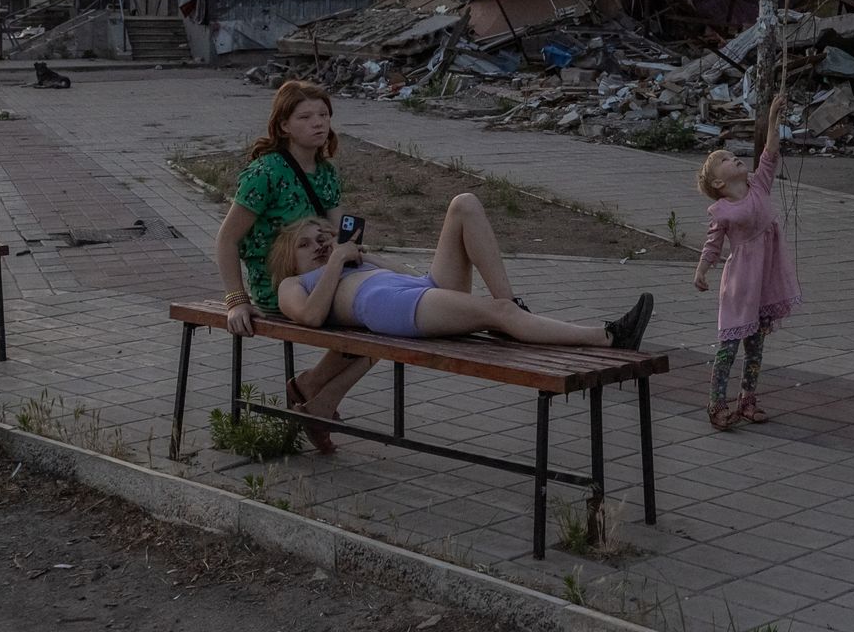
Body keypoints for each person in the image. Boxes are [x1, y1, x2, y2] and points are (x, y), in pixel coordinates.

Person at [212, 80, 372, 454]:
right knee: (376, 314)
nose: (318, 123)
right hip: (280, 286)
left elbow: (339, 231)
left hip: (320, 275)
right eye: (305, 117)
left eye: (324, 115)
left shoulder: (326, 173)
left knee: (382, 312)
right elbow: (226, 240)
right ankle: (315, 396)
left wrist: (352, 247)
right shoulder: (265, 173)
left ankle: (314, 393)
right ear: (283, 125)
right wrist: (236, 300)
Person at [268, 203, 654, 348]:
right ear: (289, 258)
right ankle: (607, 337)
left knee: (463, 205)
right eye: (305, 244)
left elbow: (410, 274)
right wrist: (336, 261)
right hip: (395, 306)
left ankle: (511, 306)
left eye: (323, 237)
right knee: (497, 314)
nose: (319, 244)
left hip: (418, 291)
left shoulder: (351, 262)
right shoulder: (294, 284)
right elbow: (311, 317)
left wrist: (364, 256)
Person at [693, 94, 801, 430]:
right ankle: (716, 403)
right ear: (719, 184)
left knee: (755, 346)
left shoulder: (759, 186)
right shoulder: (723, 211)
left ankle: (748, 399)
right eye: (725, 160)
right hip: (740, 284)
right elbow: (713, 244)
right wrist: (702, 270)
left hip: (765, 280)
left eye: (732, 155)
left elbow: (770, 151)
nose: (734, 158)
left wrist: (773, 117)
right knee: (728, 347)